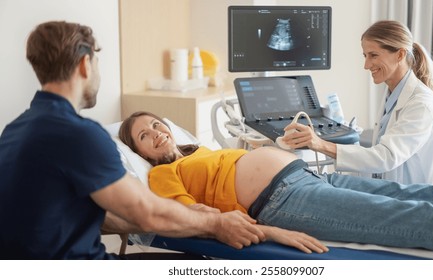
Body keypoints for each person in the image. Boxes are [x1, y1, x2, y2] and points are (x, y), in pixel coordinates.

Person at [0, 21, 327, 260]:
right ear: (86, 64)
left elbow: (89, 213)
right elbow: (149, 214)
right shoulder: (79, 134)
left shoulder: (14, 132)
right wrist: (216, 223)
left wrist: (218, 222)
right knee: (193, 266)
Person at [119, 111, 433, 257]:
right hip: (282, 201)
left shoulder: (197, 150)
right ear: (140, 152)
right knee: (414, 217)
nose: (154, 133)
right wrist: (270, 232)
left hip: (310, 178)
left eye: (155, 124)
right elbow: (195, 216)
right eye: (141, 136)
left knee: (428, 196)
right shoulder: (160, 175)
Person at [281, 20, 433, 189]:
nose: (366, 65)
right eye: (365, 56)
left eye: (373, 55)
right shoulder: (392, 94)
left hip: (422, 204)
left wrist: (320, 144)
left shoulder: (421, 104)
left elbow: (385, 157)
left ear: (399, 55)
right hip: (393, 196)